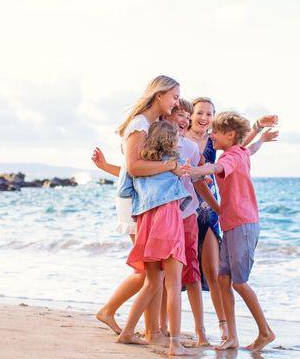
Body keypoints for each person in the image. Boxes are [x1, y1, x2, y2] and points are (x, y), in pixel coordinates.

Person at [92, 75, 184, 347]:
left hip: (147, 200)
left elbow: (133, 169)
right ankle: (124, 319)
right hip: (138, 203)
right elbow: (134, 168)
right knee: (149, 272)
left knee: (152, 273)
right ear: (159, 95)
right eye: (174, 97)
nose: (177, 102)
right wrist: (170, 167)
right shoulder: (140, 125)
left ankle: (149, 329)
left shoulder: (152, 125)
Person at [182, 111, 276, 352]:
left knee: (240, 283)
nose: (211, 135)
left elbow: (217, 166)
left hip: (242, 225)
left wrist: (194, 171)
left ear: (230, 135)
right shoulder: (241, 151)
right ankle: (231, 337)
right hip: (232, 224)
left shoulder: (231, 157)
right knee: (223, 280)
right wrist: (260, 135)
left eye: (216, 132)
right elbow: (251, 148)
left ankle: (265, 331)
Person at [116, 121, 190, 356]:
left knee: (151, 282)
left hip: (146, 223)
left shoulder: (139, 168)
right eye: (177, 137)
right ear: (170, 142)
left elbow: (123, 191)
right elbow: (183, 191)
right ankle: (175, 343)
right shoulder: (171, 164)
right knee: (173, 283)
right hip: (168, 219)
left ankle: (127, 331)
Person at [159, 98, 219, 346]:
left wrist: (218, 208)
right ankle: (160, 327)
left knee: (192, 271)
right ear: (167, 117)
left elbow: (199, 182)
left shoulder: (193, 149)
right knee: (163, 273)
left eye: (186, 116)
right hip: (163, 216)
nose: (183, 120)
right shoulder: (157, 143)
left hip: (188, 216)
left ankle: (201, 332)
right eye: (179, 115)